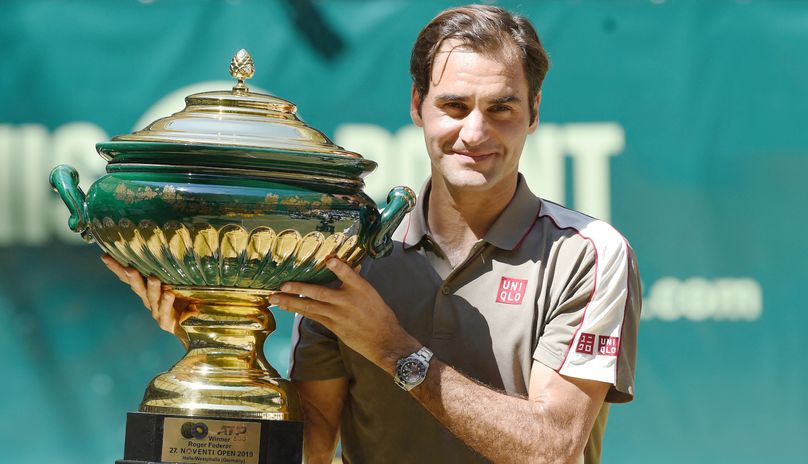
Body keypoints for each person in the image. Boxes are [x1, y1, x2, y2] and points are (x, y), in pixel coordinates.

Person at [103, 5, 641, 464]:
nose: (475, 132)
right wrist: (218, 340)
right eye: (454, 106)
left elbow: (553, 448)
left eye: (501, 108)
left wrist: (392, 348)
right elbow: (312, 445)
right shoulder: (349, 250)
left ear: (534, 112)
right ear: (417, 105)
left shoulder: (589, 254)